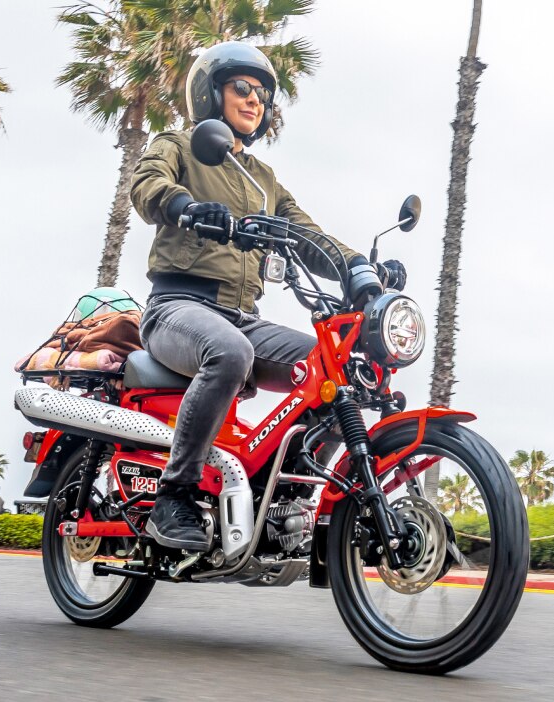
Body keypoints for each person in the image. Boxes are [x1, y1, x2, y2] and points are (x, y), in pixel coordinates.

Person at [130, 41, 406, 552]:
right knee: (229, 352)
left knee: (333, 369)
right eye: (243, 87)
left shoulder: (263, 181)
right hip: (177, 309)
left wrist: (359, 270)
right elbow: (147, 185)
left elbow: (310, 236)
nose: (255, 99)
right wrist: (186, 206)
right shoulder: (180, 145)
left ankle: (283, 500)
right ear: (211, 93)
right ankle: (175, 494)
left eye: (263, 94)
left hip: (242, 317)